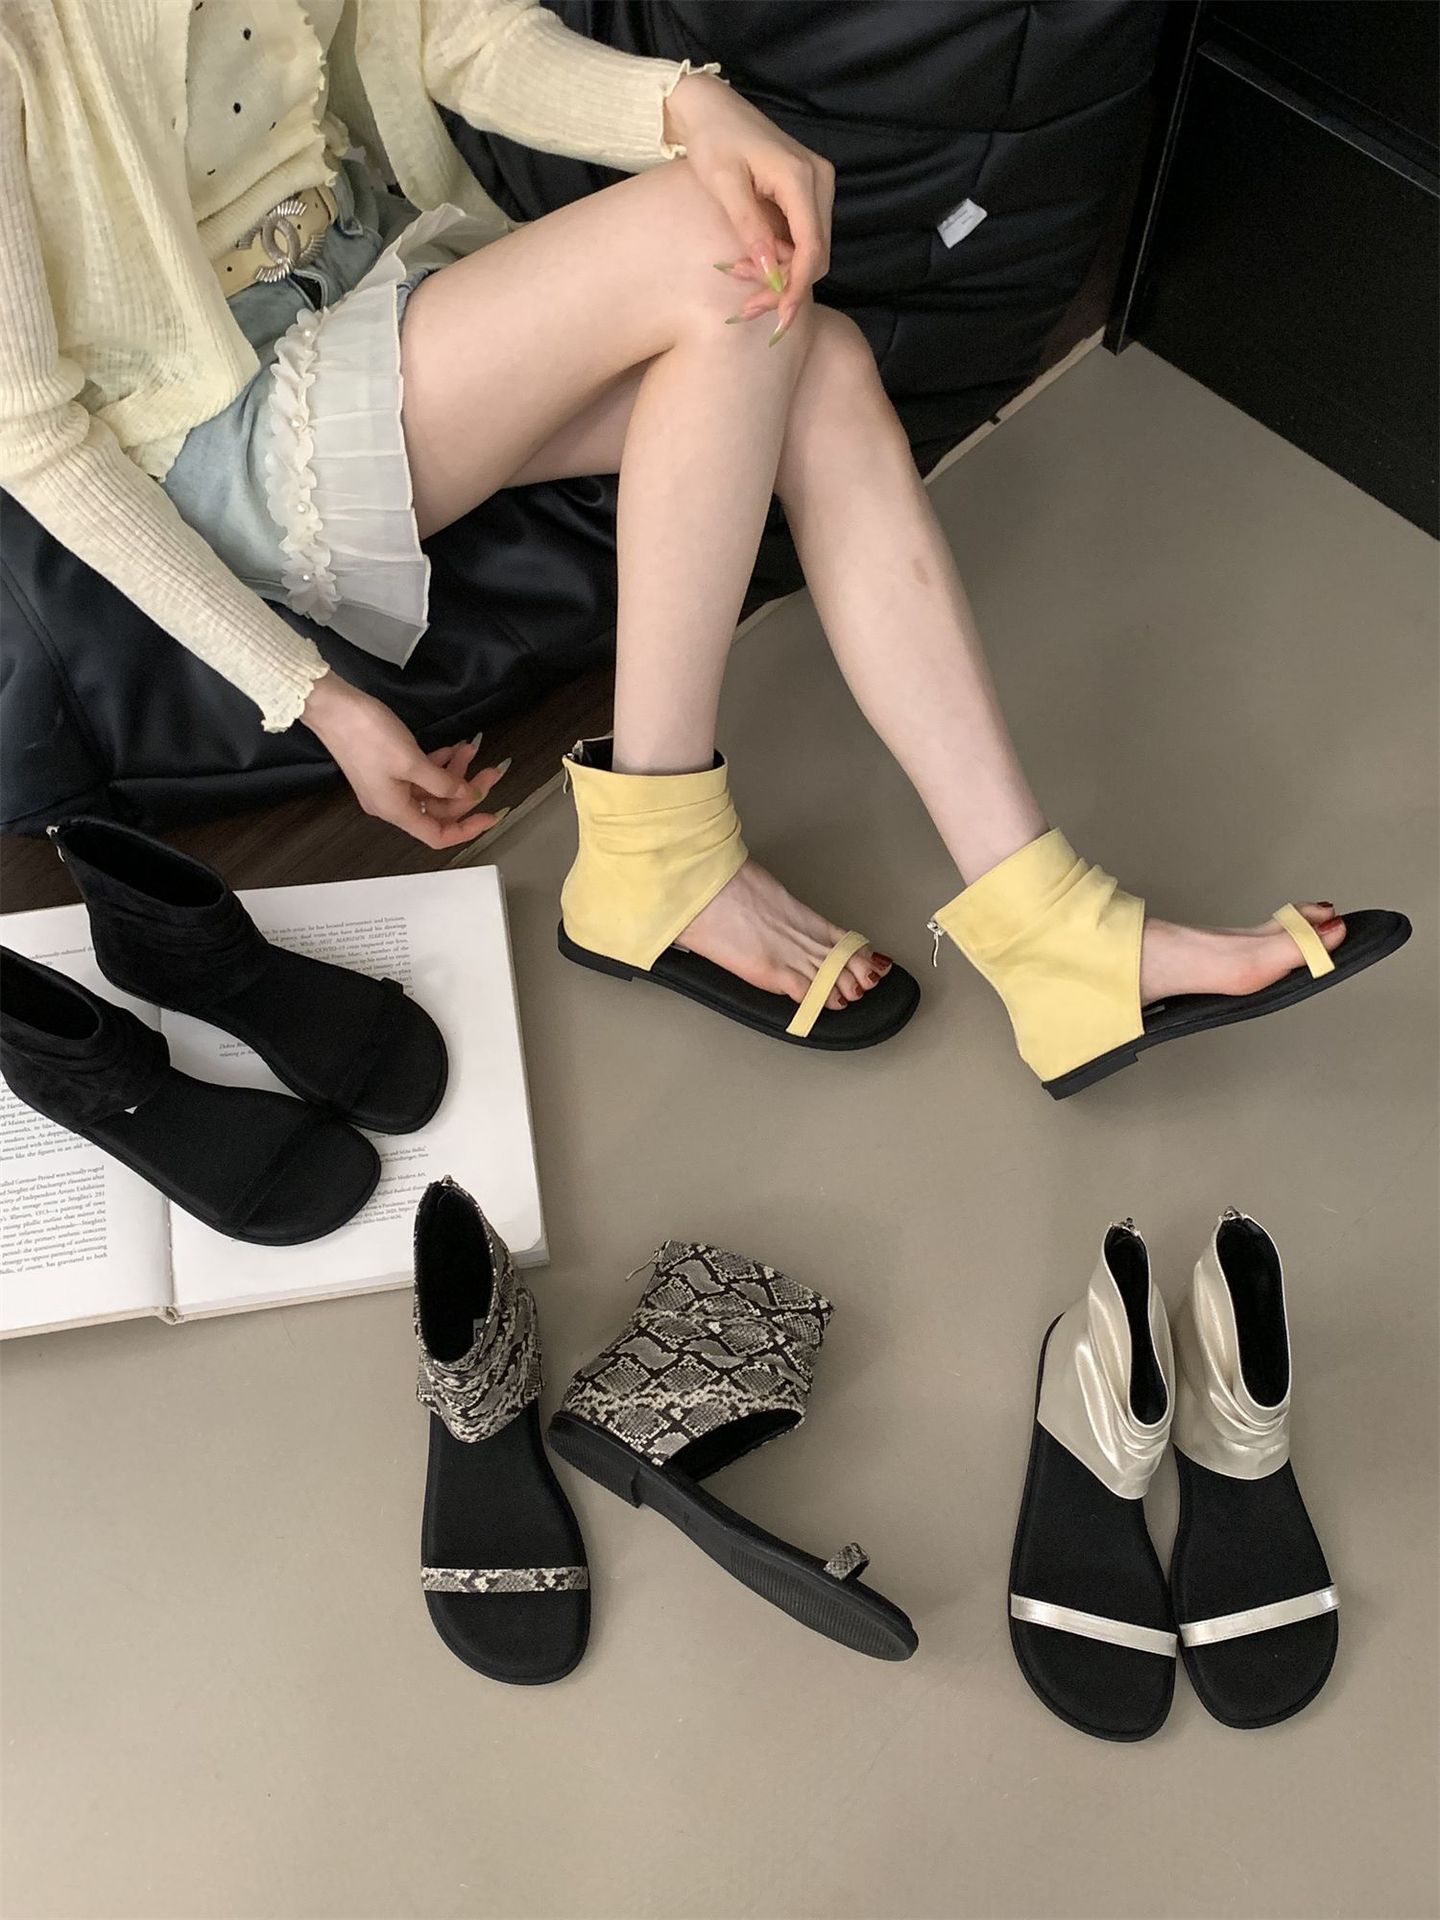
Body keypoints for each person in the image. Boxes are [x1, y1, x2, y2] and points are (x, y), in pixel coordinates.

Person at [2, 1, 1403, 1092]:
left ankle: (1050, 928)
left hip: (378, 286)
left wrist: (689, 103)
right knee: (722, 247)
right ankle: (654, 845)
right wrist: (308, 693)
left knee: (822, 361)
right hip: (224, 421)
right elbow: (37, 437)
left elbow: (459, 33)